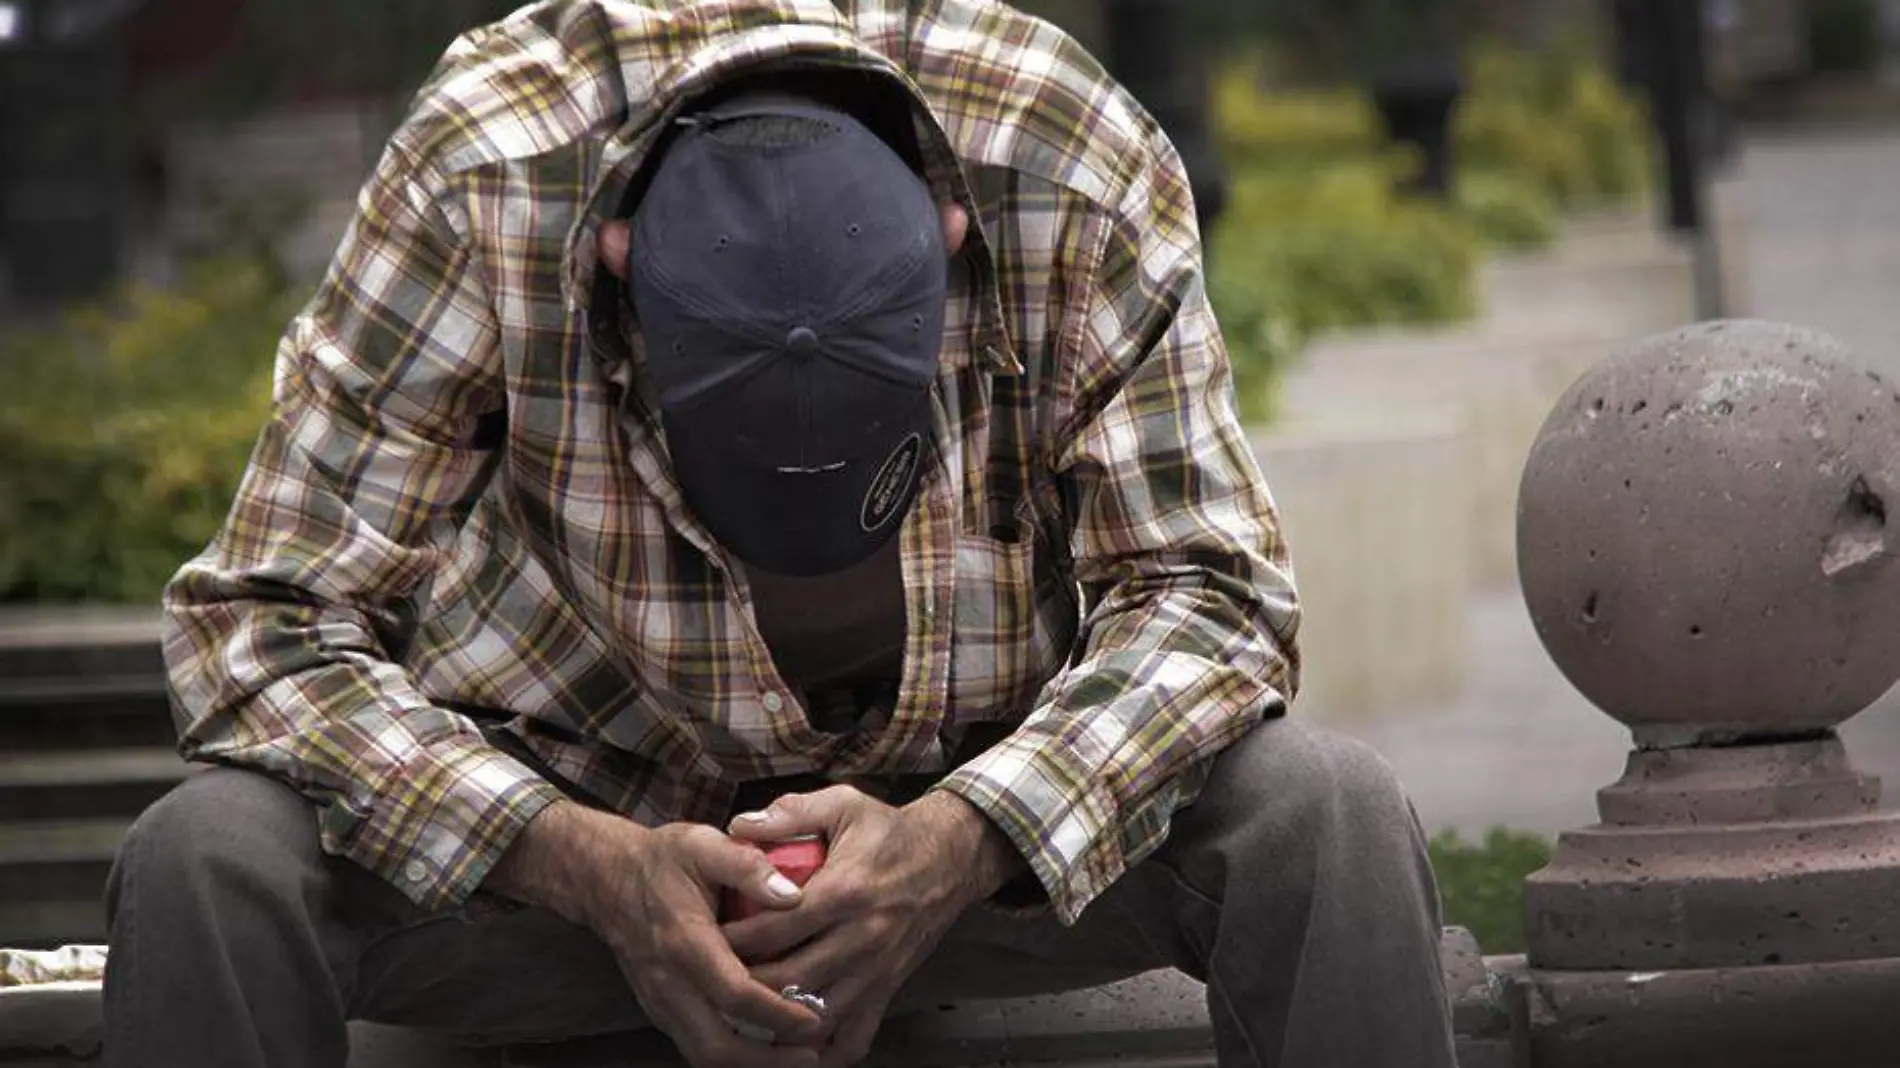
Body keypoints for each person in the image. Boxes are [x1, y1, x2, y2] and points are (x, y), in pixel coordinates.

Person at [102, 2, 1456, 1066]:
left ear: (945, 236)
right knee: (207, 857)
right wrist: (584, 865)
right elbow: (266, 627)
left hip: (969, 843)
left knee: (1322, 816)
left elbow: (1210, 594)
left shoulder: (1066, 164)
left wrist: (969, 837)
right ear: (615, 261)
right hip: (573, 844)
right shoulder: (486, 174)